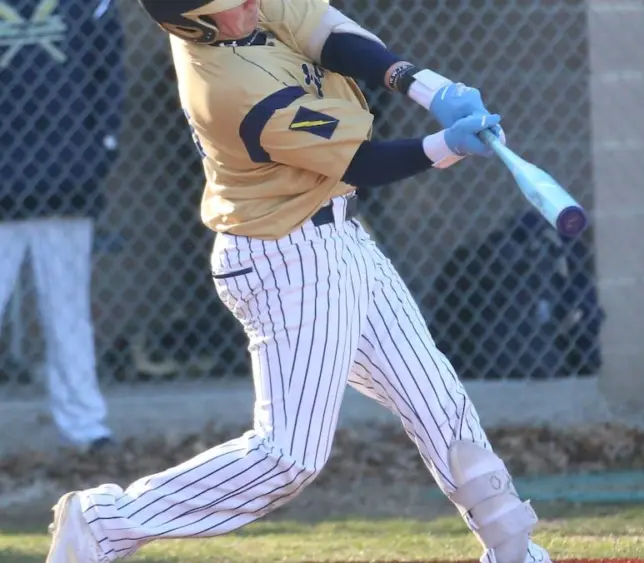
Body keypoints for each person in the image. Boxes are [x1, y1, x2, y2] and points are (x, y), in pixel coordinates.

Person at [44, 1, 551, 562]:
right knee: (288, 456)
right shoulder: (230, 90)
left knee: (441, 406)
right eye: (232, 5)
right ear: (194, 22)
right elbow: (362, 162)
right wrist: (446, 146)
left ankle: (513, 552)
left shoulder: (242, 12)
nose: (250, 5)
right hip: (285, 259)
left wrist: (428, 88)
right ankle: (105, 523)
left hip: (343, 239)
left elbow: (330, 33)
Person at [0, 0, 123, 453]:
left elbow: (108, 81)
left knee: (67, 310)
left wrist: (95, 158)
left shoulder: (90, 5)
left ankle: (86, 427)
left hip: (65, 182)